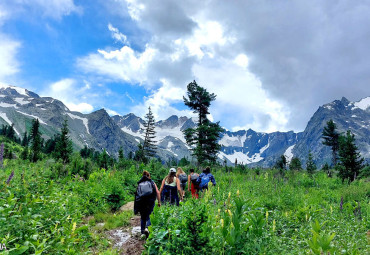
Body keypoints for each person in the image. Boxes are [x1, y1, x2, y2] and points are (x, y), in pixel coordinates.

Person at [134, 170, 160, 238]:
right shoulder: (152, 182)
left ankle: (142, 232)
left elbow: (137, 195)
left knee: (143, 217)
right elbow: (157, 192)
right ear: (149, 176)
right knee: (149, 215)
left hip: (141, 202)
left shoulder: (140, 183)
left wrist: (136, 206)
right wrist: (159, 202)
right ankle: (147, 228)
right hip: (150, 201)